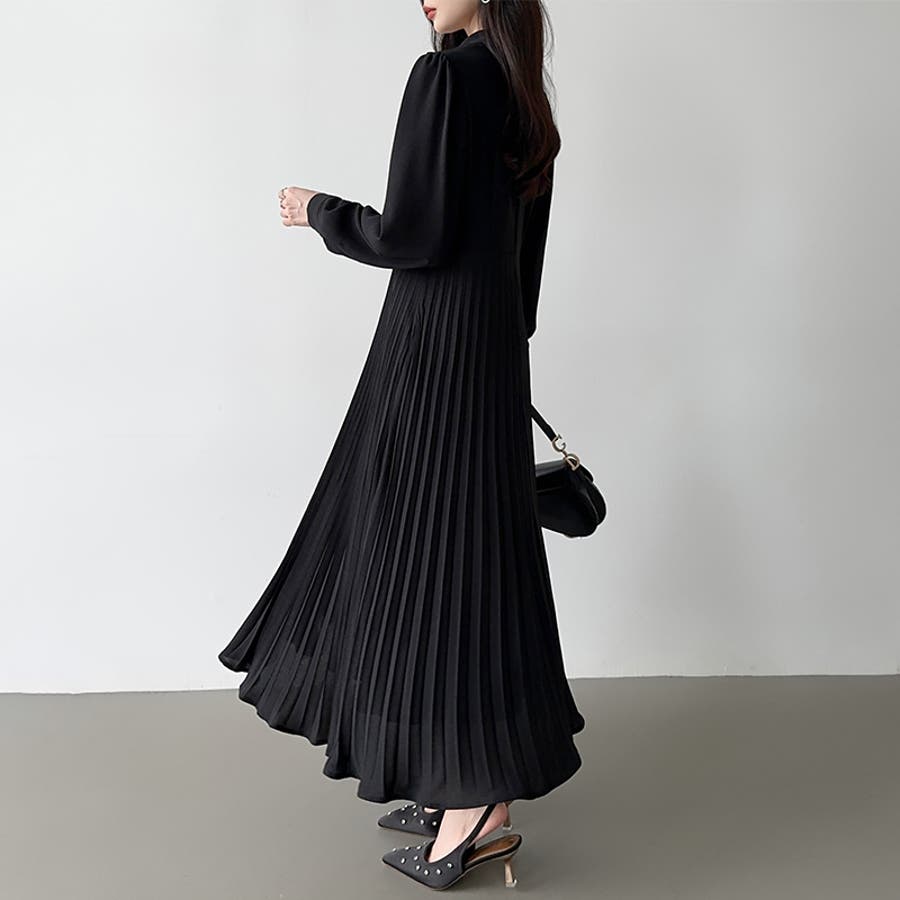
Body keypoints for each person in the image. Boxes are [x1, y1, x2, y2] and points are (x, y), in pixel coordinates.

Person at [218, 0, 585, 888]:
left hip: (432, 351)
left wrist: (321, 211)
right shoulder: (522, 92)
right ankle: (462, 780)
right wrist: (494, 348)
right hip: (490, 351)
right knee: (467, 561)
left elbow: (411, 236)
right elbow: (525, 273)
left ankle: (473, 803)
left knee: (418, 557)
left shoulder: (445, 77)